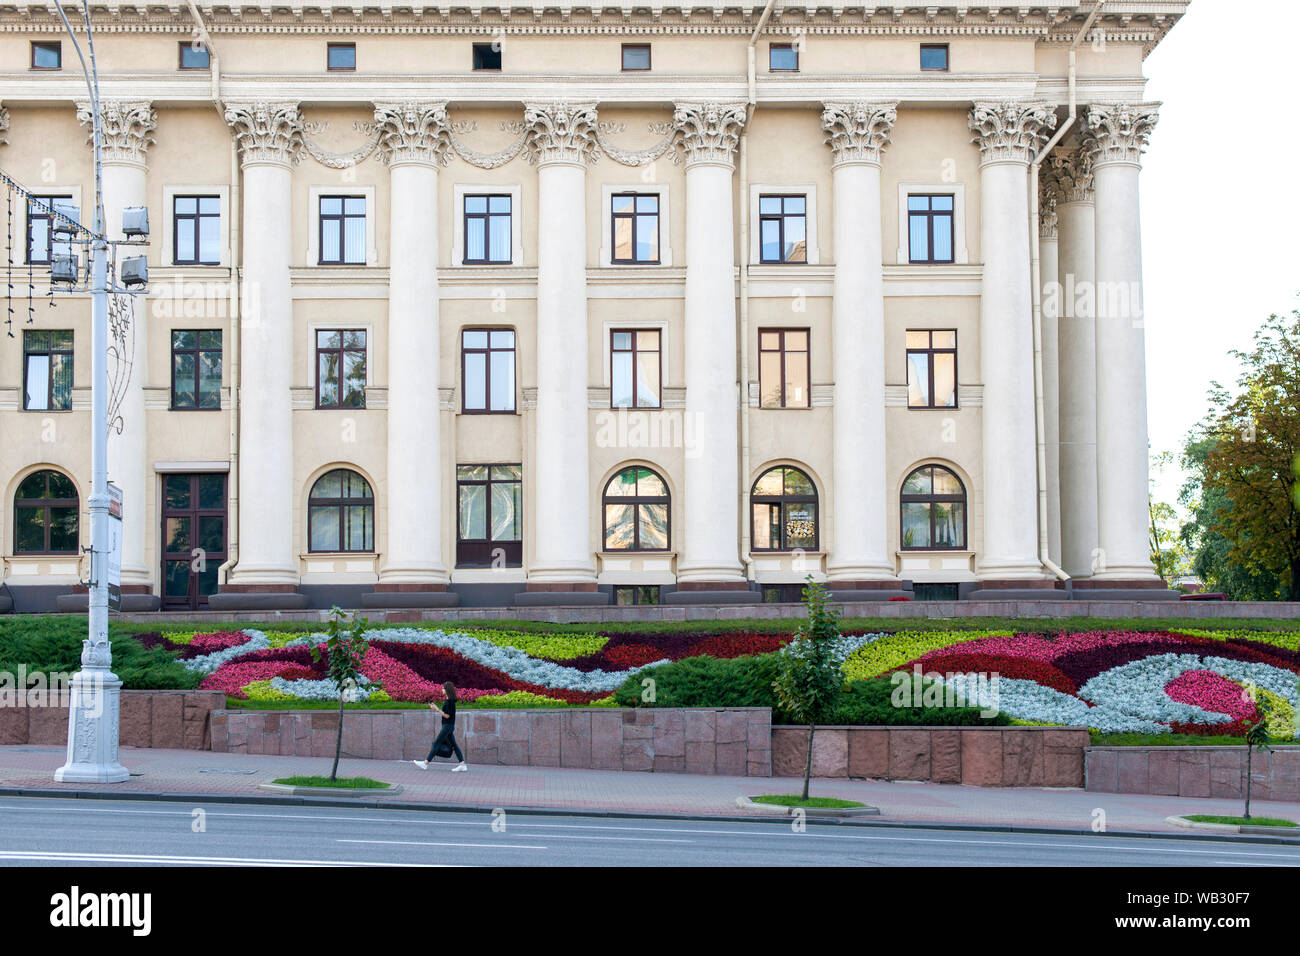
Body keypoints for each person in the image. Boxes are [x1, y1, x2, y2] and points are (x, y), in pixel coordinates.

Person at [414, 682, 467, 772]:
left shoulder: (450, 702)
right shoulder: (449, 701)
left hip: (447, 726)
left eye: (443, 688)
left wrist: (437, 709)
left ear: (447, 690)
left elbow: (447, 716)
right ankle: (462, 764)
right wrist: (437, 709)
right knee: (454, 745)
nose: (441, 690)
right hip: (448, 726)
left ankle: (425, 763)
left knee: (436, 743)